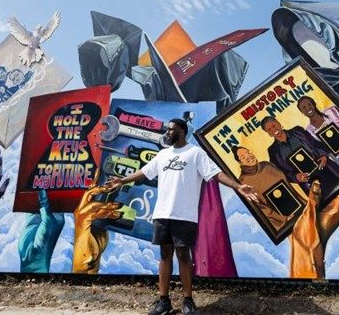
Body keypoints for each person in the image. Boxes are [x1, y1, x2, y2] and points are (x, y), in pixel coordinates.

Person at [110, 118, 257, 315]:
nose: (167, 132)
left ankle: (188, 301)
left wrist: (238, 186)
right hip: (163, 213)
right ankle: (163, 301)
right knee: (164, 255)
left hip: (185, 215)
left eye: (171, 129)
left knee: (183, 255)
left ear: (181, 131)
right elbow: (144, 172)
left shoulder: (195, 153)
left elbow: (215, 174)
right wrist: (122, 180)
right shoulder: (163, 155)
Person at [261, 116, 339, 202]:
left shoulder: (297, 131)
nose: (273, 130)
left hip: (327, 170)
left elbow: (317, 144)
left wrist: (324, 156)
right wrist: (295, 177)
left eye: (274, 126)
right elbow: (281, 173)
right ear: (269, 133)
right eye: (269, 130)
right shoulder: (273, 151)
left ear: (278, 123)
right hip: (310, 183)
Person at [231, 145, 292, 230]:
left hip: (297, 206)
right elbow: (261, 208)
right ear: (240, 162)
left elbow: (287, 184)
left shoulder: (267, 165)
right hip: (283, 221)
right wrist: (284, 218)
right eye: (243, 157)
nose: (248, 156)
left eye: (248, 152)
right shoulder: (243, 182)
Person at [296, 96, 339, 172]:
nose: (308, 108)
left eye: (309, 104)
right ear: (302, 112)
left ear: (314, 104)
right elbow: (320, 149)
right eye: (304, 108)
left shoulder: (331, 111)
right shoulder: (309, 131)